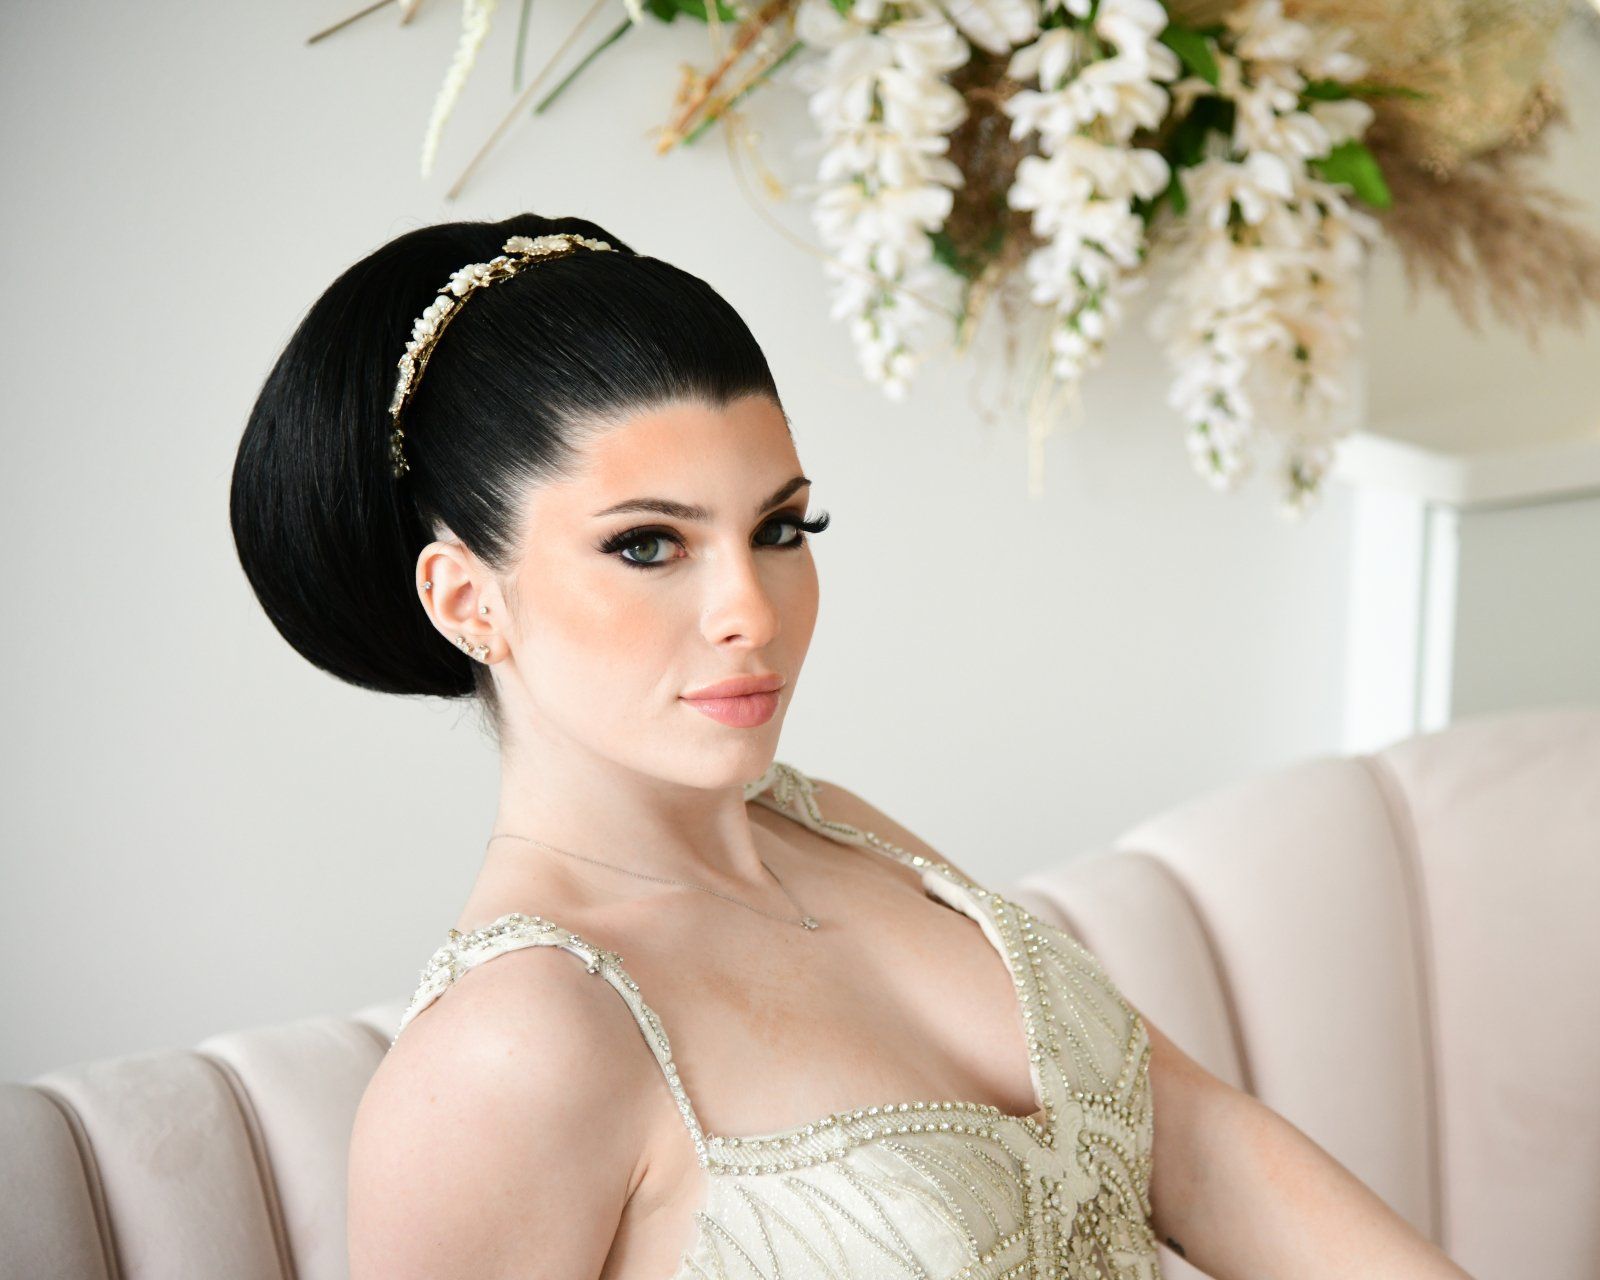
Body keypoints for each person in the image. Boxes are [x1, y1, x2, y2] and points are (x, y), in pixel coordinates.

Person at [228, 214, 1476, 1279]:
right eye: (648, 544)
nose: (750, 611)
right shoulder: (519, 1044)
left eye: (781, 527)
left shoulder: (844, 832)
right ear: (466, 599)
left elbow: (1199, 1142)